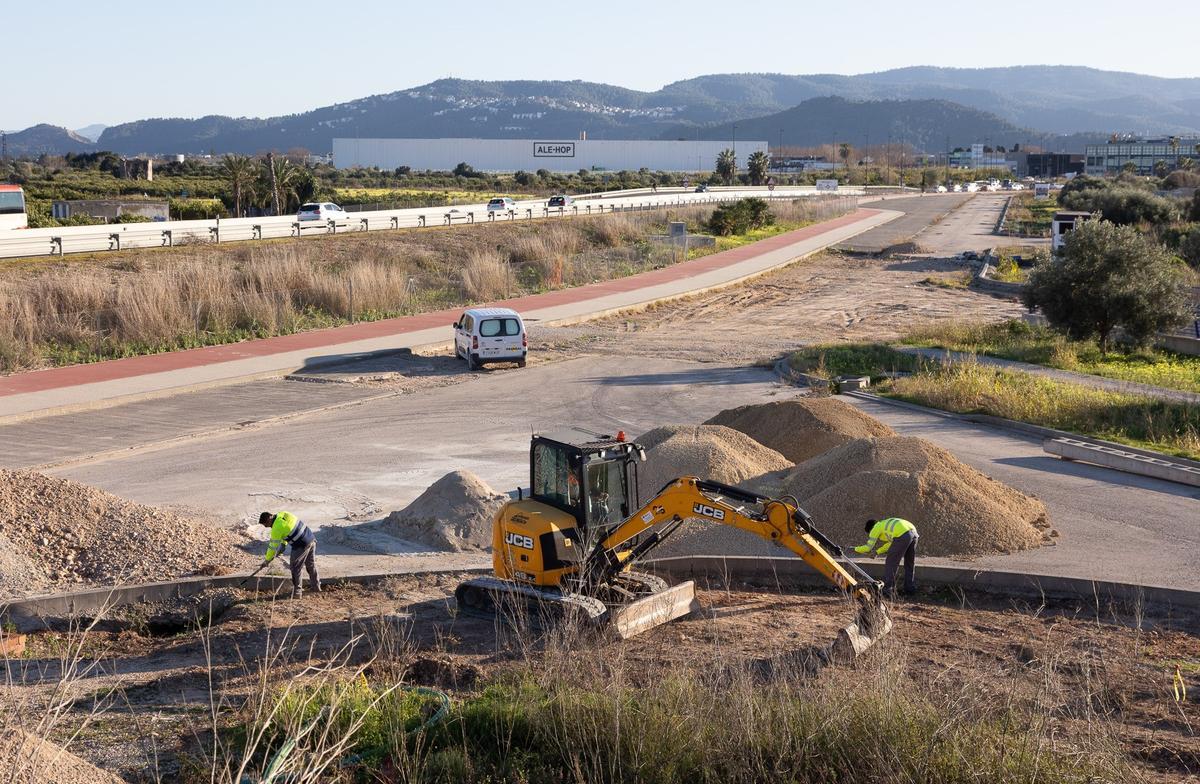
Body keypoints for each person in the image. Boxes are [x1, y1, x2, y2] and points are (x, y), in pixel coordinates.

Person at [259, 510, 320, 599]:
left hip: (301, 545)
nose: (268, 527)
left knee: (295, 567)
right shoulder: (283, 514)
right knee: (311, 565)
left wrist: (267, 560)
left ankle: (297, 593)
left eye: (266, 525)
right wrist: (284, 544)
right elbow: (287, 528)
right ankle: (316, 587)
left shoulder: (276, 528)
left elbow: (272, 547)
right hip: (310, 538)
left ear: (268, 520)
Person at [855, 517, 918, 596]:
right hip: (913, 532)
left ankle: (887, 589)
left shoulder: (875, 528)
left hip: (902, 534)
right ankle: (910, 589)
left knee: (891, 562)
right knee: (909, 563)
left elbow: (868, 547)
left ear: (870, 529)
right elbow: (891, 543)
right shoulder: (884, 525)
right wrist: (877, 552)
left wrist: (855, 549)